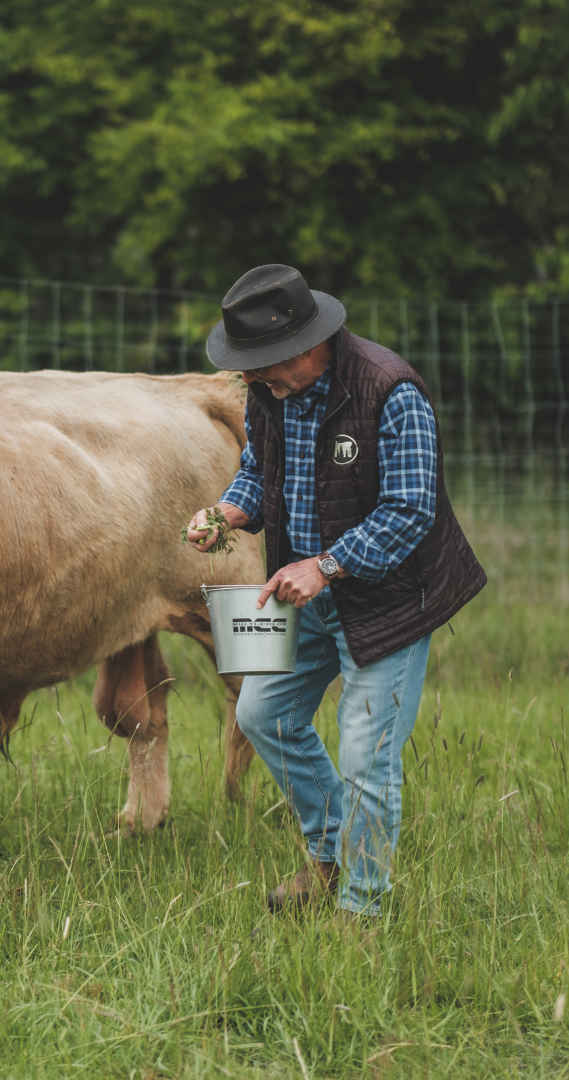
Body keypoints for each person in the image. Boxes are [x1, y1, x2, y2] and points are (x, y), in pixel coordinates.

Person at [187, 264, 485, 921]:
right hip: (305, 595)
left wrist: (326, 564)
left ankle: (362, 908)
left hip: (391, 601)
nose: (251, 378)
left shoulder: (389, 390)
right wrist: (228, 512)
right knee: (262, 716)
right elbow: (256, 470)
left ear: (303, 347)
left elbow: (412, 509)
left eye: (260, 365)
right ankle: (330, 855)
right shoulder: (268, 394)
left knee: (366, 758)